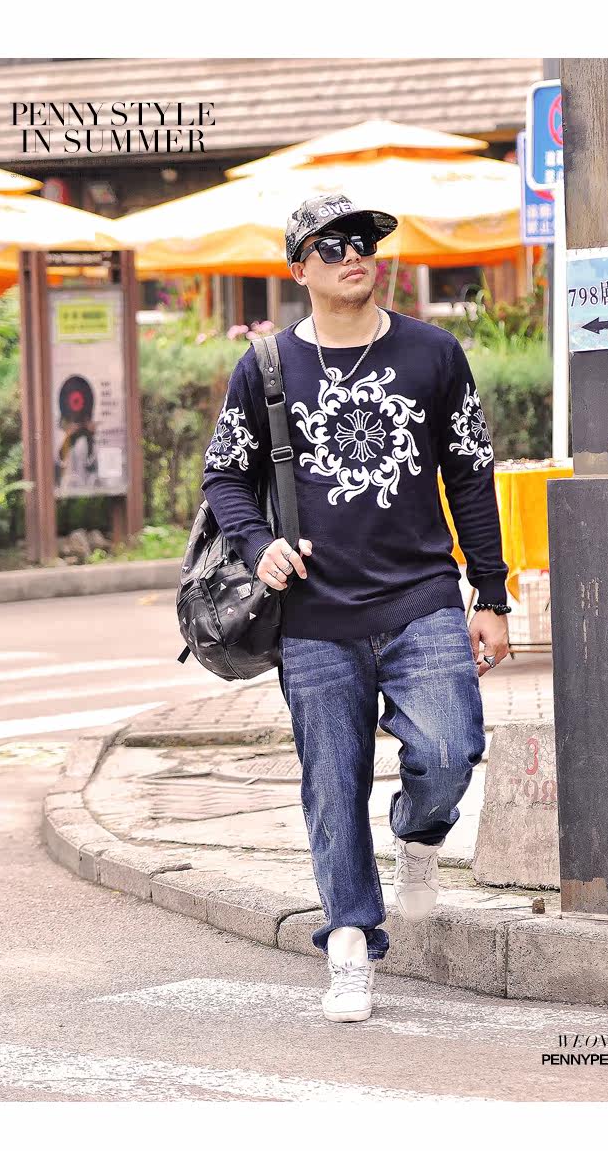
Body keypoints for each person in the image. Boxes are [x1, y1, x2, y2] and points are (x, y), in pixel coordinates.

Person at [201, 194, 509, 1023]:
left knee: (450, 750)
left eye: (364, 242)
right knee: (332, 786)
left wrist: (491, 592)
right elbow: (225, 475)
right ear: (299, 269)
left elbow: (470, 473)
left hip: (422, 599)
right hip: (314, 614)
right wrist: (258, 544)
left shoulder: (433, 352)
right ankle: (348, 941)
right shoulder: (266, 366)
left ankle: (419, 833)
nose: (353, 256)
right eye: (331, 246)